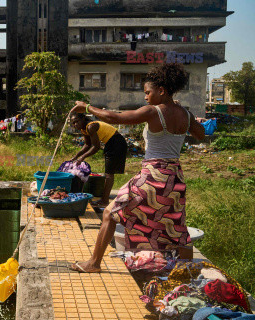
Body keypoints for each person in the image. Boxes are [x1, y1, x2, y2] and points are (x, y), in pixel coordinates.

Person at [69, 63, 205, 273]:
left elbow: (115, 117)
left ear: (162, 91)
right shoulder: (185, 114)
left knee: (109, 214)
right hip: (175, 178)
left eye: (148, 92)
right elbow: (201, 134)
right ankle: (186, 273)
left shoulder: (153, 111)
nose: (145, 97)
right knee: (177, 228)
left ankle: (93, 264)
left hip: (152, 175)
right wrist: (185, 112)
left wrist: (87, 108)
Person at [70, 113, 128, 206]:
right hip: (111, 143)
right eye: (73, 123)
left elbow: (96, 147)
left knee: (109, 174)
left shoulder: (91, 126)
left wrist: (82, 157)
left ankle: (105, 201)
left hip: (117, 142)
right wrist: (76, 156)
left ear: (83, 118)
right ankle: (104, 199)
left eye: (77, 121)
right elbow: (87, 145)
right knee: (108, 173)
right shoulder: (84, 129)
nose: (75, 124)